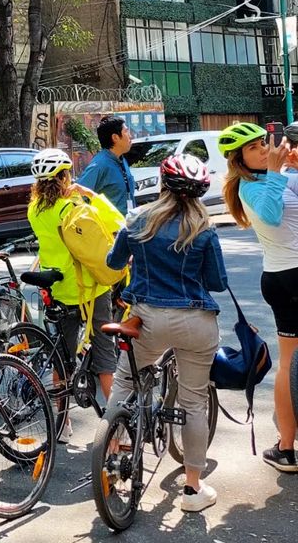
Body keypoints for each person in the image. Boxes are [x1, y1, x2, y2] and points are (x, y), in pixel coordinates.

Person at [106, 152, 227, 513]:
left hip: (146, 319)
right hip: (194, 321)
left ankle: (109, 454)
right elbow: (218, 283)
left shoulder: (137, 220)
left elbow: (113, 263)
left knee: (126, 380)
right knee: (193, 402)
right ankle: (192, 490)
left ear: (161, 184)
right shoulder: (204, 230)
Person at [219, 121, 298, 472]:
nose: (264, 150)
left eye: (263, 143)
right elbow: (270, 214)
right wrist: (278, 170)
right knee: (290, 363)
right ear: (239, 160)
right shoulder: (251, 187)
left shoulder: (271, 177)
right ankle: (286, 447)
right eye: (254, 148)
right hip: (286, 279)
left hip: (288, 276)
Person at [27, 147, 120, 440]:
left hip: (57, 290)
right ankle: (118, 427)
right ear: (65, 176)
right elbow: (117, 224)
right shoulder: (75, 208)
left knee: (62, 359)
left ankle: (62, 424)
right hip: (90, 291)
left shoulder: (34, 210)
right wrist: (89, 195)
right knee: (106, 356)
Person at [79, 115, 137, 215]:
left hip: (127, 225)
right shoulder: (99, 165)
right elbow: (79, 197)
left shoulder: (121, 160)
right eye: (126, 131)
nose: (130, 135)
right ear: (115, 137)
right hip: (109, 228)